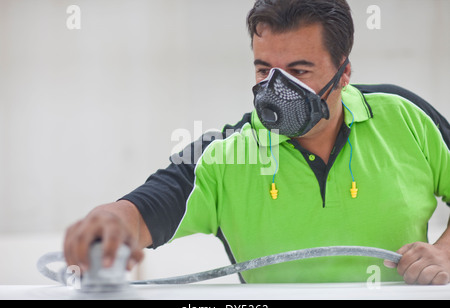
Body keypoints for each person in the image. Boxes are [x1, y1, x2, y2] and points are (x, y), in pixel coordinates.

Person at [64, 0, 450, 285]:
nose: (276, 90)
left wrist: (446, 253)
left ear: (344, 71)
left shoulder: (406, 117)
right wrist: (106, 226)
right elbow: (143, 209)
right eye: (265, 70)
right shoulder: (224, 157)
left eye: (299, 71)